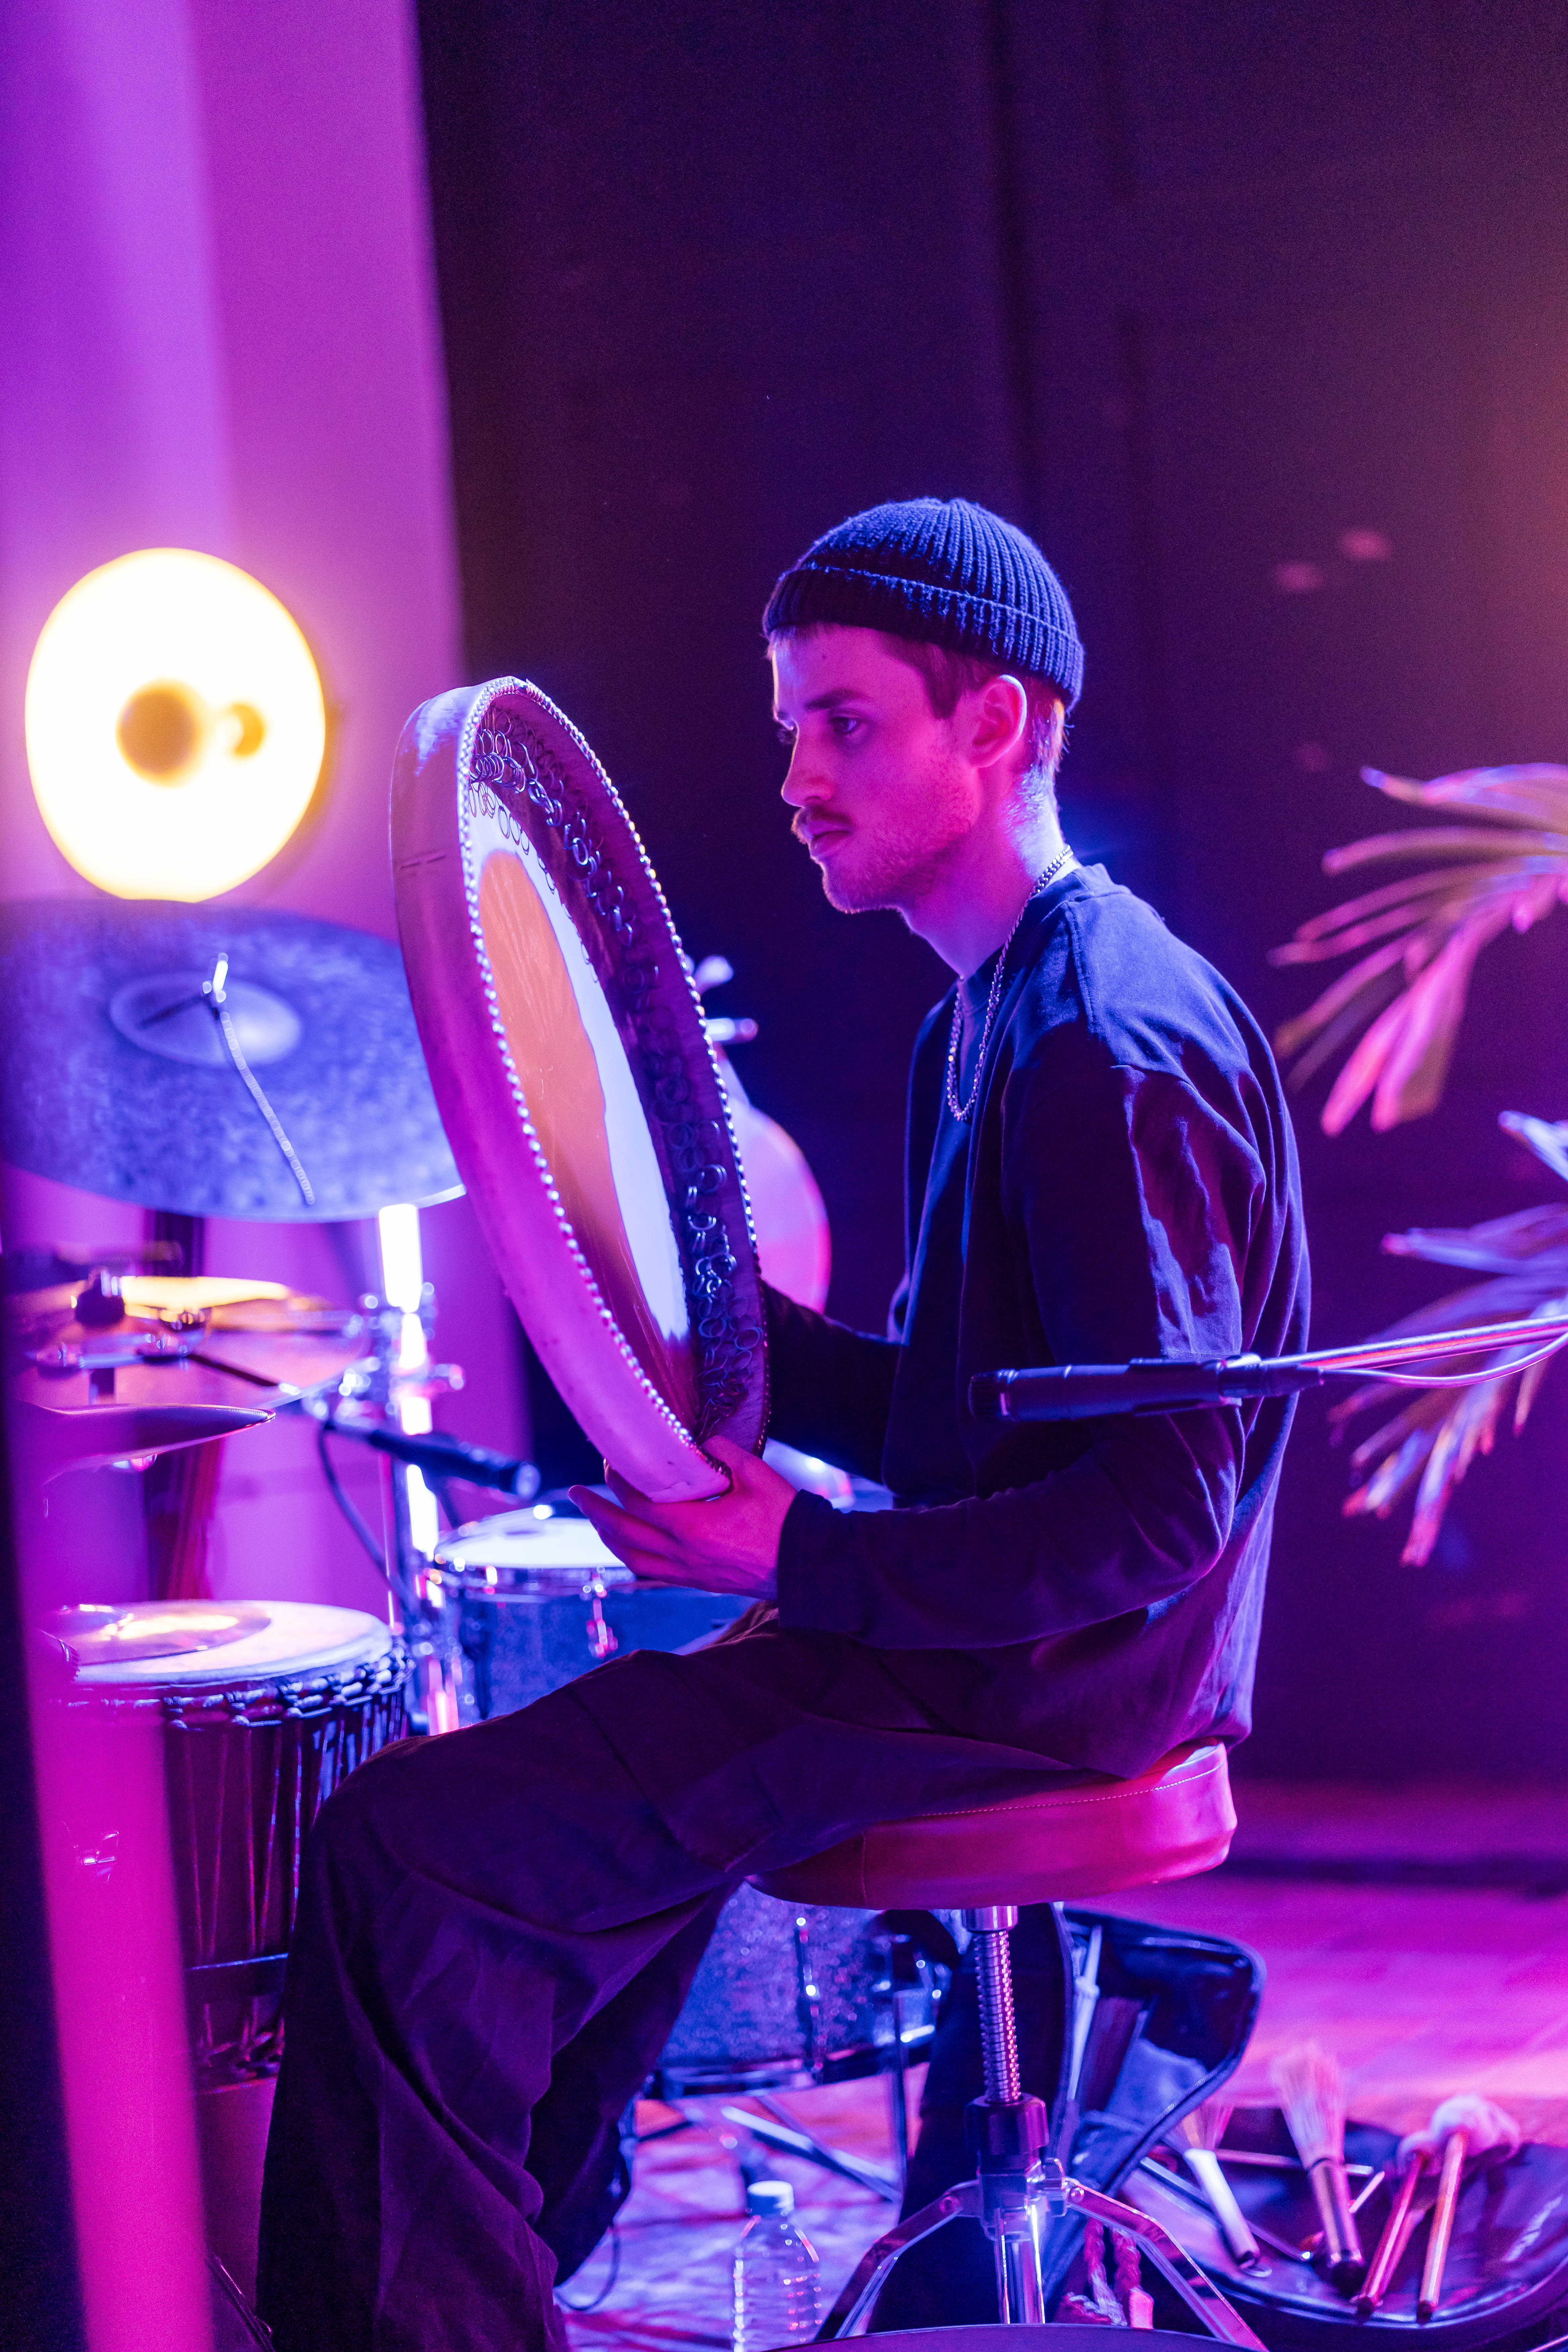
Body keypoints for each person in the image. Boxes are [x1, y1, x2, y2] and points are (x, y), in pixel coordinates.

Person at [257, 497, 1307, 2352]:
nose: (799, 779)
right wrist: (703, 1324)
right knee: (525, 1854)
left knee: (404, 1853)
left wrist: (791, 1554)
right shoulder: (986, 1020)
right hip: (976, 1656)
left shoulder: (1100, 1045)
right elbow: (966, 1421)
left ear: (997, 725)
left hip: (1036, 1688)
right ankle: (505, 2262)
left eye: (846, 723)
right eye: (790, 730)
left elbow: (1157, 1511)